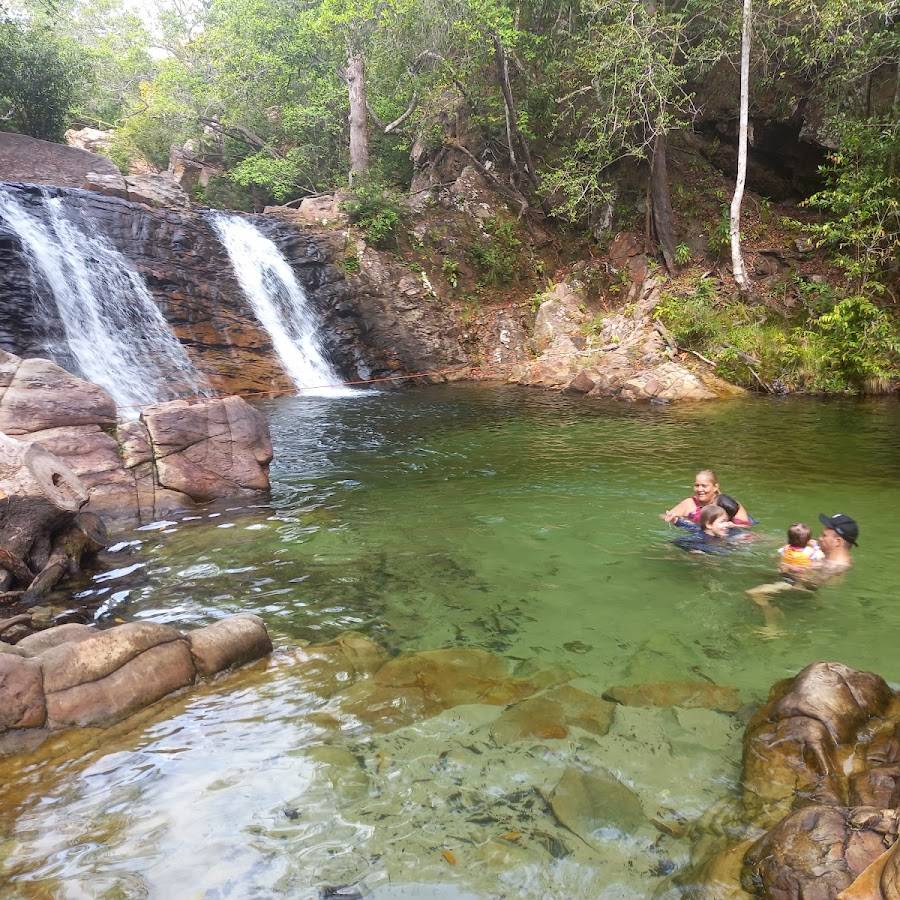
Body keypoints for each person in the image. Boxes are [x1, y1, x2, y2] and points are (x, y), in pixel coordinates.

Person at [663, 470, 752, 525]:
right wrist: (679, 521)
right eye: (697, 485)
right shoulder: (689, 503)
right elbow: (665, 516)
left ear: (715, 487)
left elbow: (744, 525)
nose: (699, 489)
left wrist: (730, 525)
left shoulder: (727, 503)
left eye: (704, 486)